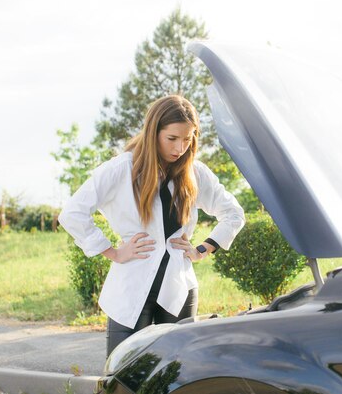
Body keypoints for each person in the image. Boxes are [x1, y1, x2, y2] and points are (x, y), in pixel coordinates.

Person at [58, 95, 245, 356]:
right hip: (131, 288)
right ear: (153, 132)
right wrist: (111, 251)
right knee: (125, 375)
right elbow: (72, 213)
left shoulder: (195, 173)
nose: (180, 147)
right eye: (172, 138)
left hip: (178, 288)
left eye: (187, 139)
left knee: (178, 375)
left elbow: (233, 213)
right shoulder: (122, 169)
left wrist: (203, 249)